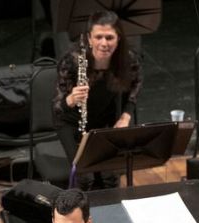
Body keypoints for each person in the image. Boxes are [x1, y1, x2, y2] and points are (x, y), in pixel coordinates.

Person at [52, 10, 142, 190]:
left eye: (109, 38)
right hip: (71, 122)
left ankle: (111, 214)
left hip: (102, 122)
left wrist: (125, 116)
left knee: (110, 176)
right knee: (84, 177)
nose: (104, 43)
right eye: (98, 37)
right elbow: (57, 107)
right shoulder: (73, 61)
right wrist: (71, 98)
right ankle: (83, 215)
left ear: (119, 38)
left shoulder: (127, 60)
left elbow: (135, 86)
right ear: (89, 38)